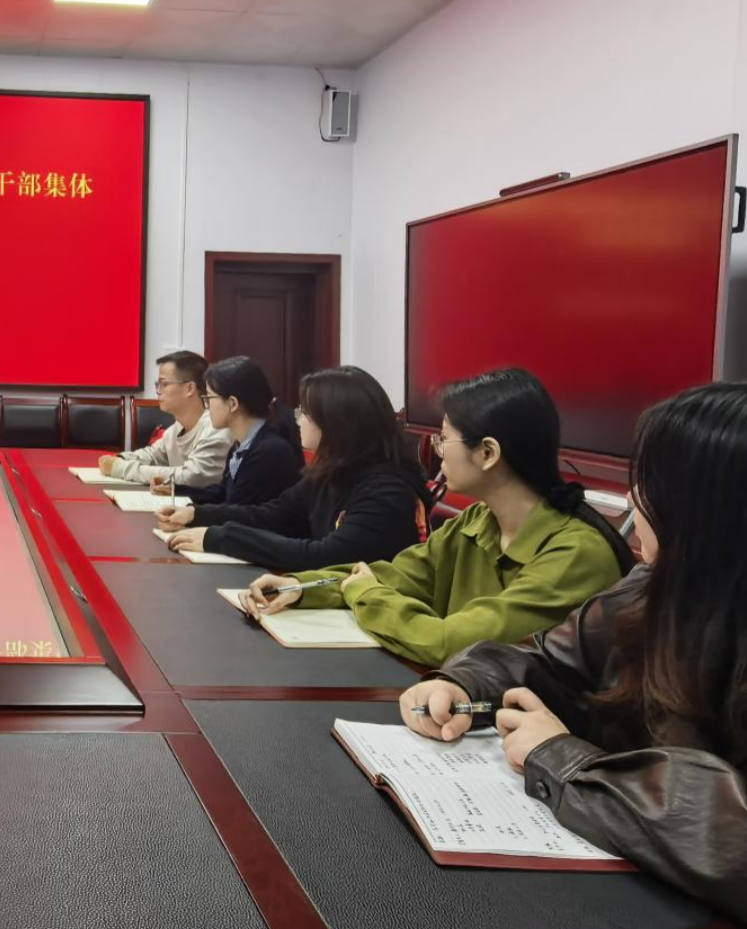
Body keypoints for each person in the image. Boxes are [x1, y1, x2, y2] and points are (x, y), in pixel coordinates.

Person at [399, 383, 747, 922]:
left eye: (650, 483)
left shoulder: (583, 548)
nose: (633, 499)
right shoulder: (656, 589)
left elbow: (729, 839)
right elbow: (546, 659)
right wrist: (462, 682)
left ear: (706, 508)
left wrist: (563, 759)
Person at [243, 368, 633, 666]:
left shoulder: (576, 554)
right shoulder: (479, 519)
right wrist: (300, 587)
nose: (437, 450)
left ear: (488, 453)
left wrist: (364, 593)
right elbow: (395, 574)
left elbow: (452, 642)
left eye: (444, 438)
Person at [157, 366, 431, 569]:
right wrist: (198, 514)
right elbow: (275, 514)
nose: (298, 420)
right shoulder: (332, 471)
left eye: (305, 413)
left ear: (336, 423)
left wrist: (224, 538)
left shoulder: (387, 491)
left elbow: (325, 556)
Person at [168, 356, 302, 508]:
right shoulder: (241, 443)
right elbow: (224, 492)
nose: (207, 406)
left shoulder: (269, 451)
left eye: (209, 398)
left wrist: (194, 513)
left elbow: (240, 510)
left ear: (232, 403)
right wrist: (175, 490)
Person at [98, 350, 229, 489]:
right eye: (158, 385)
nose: (158, 391)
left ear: (189, 388)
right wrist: (121, 459)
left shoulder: (215, 429)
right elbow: (152, 455)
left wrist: (121, 468)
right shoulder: (176, 429)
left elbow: (190, 477)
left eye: (164, 384)